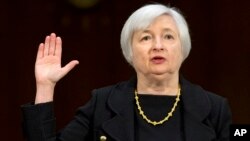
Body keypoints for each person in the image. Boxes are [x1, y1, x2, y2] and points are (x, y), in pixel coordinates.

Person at [21, 3, 232, 141]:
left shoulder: (214, 108)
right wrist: (45, 87)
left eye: (168, 36)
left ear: (183, 48)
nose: (158, 46)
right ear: (129, 50)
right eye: (146, 37)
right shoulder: (102, 103)